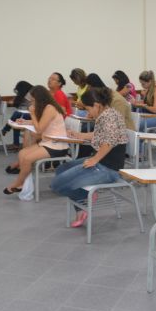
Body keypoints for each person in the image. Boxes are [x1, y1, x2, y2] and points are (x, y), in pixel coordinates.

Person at [50, 88, 128, 227]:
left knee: (57, 185)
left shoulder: (109, 117)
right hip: (101, 162)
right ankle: (83, 202)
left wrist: (94, 160)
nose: (88, 113)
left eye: (88, 109)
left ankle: (84, 200)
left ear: (96, 105)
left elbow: (109, 142)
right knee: (61, 170)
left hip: (108, 168)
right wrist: (79, 135)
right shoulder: (106, 114)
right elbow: (98, 134)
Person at [3, 86, 69, 192]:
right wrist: (25, 122)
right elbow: (41, 123)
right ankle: (24, 182)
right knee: (22, 153)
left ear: (40, 99)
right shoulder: (46, 107)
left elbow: (39, 130)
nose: (32, 103)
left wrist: (32, 114)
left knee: (27, 159)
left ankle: (18, 183)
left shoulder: (50, 108)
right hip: (48, 142)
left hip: (57, 146)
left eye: (33, 100)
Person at [1, 80, 33, 151]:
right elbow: (18, 102)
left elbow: (24, 105)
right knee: (17, 117)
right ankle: (14, 143)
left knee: (17, 115)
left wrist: (14, 101)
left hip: (33, 115)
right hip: (26, 113)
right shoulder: (27, 92)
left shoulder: (30, 93)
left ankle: (5, 130)